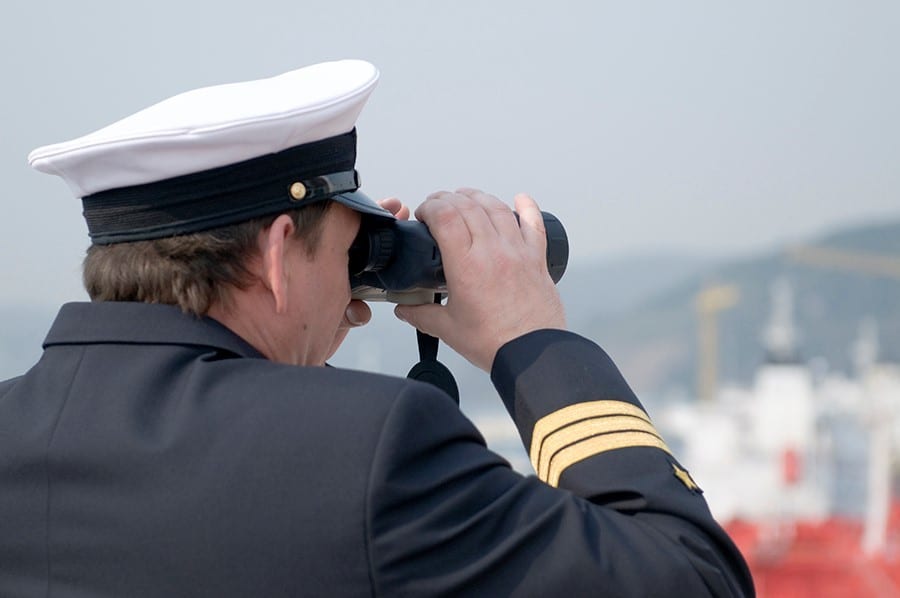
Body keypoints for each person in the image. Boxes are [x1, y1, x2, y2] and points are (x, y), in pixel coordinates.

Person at [0, 60, 753, 597]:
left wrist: (294, 350)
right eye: (347, 250)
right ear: (277, 254)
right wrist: (533, 338)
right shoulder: (368, 449)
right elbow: (692, 577)